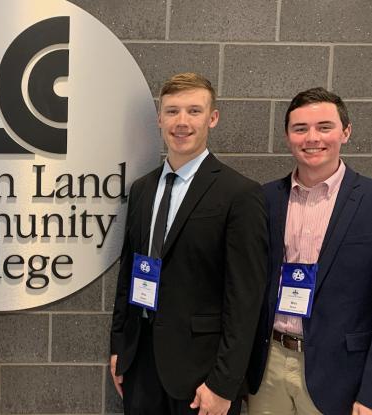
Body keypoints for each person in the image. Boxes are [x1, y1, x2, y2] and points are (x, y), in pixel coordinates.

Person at [109, 73, 268, 415]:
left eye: (194, 111)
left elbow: (245, 301)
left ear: (213, 118)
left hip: (201, 377)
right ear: (159, 119)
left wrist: (223, 384)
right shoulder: (142, 189)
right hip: (141, 366)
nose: (182, 122)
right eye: (172, 111)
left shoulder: (239, 194)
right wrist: (121, 347)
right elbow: (128, 275)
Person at [246, 88, 372, 415]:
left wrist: (370, 393)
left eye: (324, 127)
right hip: (269, 366)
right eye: (300, 129)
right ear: (288, 137)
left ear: (346, 132)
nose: (311, 137)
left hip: (340, 375)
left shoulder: (370, 201)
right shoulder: (264, 199)